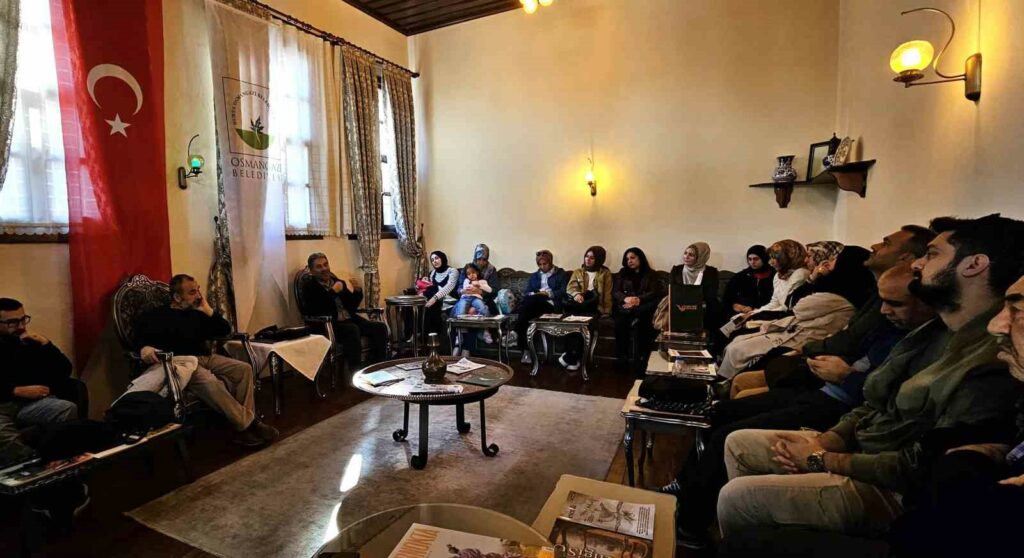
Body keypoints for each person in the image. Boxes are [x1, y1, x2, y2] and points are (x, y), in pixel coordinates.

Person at [714, 214, 1024, 540]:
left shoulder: (994, 357)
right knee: (738, 442)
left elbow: (919, 465)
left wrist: (823, 459)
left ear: (974, 265)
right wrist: (829, 440)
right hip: (863, 444)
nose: (917, 264)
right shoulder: (934, 329)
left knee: (739, 497)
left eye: (931, 255)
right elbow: (875, 401)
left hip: (889, 484)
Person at [666, 265, 935, 549]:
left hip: (840, 408)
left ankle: (694, 522)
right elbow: (854, 366)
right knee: (722, 414)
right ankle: (689, 491)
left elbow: (881, 406)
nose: (883, 310)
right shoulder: (893, 328)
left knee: (728, 442)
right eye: (882, 301)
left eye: (894, 303)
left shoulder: (920, 343)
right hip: (826, 393)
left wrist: (825, 448)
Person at [885, 273, 1024, 557]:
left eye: (1017, 310)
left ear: (975, 264)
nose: (995, 325)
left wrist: (966, 461)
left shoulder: (988, 371)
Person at [735, 225, 935, 396]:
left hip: (830, 365)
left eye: (885, 243)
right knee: (745, 353)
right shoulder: (873, 292)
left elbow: (797, 307)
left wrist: (810, 353)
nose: (874, 246)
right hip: (826, 358)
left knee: (752, 362)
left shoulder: (840, 289)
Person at [135, 274, 278, 447]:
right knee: (210, 382)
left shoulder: (197, 312)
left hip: (206, 357)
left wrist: (208, 309)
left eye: (198, 290)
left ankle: (242, 425)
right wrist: (144, 347)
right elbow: (138, 336)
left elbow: (225, 330)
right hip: (184, 363)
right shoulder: (157, 316)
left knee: (244, 369)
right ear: (177, 297)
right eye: (192, 292)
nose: (198, 296)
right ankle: (249, 425)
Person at [0, 298, 85, 468]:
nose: (21, 326)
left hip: (30, 404)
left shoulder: (28, 342)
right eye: (12, 322)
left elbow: (64, 370)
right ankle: (32, 465)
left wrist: (47, 345)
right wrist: (15, 391)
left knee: (66, 408)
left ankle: (61, 460)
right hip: (3, 405)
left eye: (23, 319)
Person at [300, 252, 389, 366]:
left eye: (326, 264)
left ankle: (377, 366)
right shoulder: (309, 287)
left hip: (349, 320)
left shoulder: (337, 282)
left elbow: (351, 306)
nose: (324, 269)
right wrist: (333, 292)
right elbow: (318, 309)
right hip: (329, 325)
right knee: (352, 329)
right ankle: (354, 371)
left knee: (380, 327)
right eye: (319, 266)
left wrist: (357, 292)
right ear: (312, 271)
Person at [558, 246, 613, 370]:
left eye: (592, 258)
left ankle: (570, 357)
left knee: (581, 323)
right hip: (578, 304)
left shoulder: (605, 273)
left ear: (599, 259)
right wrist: (576, 294)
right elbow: (570, 287)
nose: (588, 259)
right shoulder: (578, 271)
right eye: (586, 256)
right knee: (574, 323)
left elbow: (607, 293)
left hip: (594, 306)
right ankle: (573, 357)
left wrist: (607, 311)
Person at [612, 247, 665, 369]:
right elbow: (616, 291)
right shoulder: (622, 273)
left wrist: (638, 300)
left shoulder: (651, 274)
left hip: (643, 307)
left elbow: (654, 292)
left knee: (644, 322)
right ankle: (622, 358)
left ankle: (642, 360)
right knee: (620, 322)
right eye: (627, 259)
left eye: (632, 258)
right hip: (625, 307)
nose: (629, 261)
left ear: (640, 258)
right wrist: (626, 299)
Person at [517, 250, 568, 364]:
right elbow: (527, 292)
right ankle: (526, 351)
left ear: (550, 262)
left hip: (551, 304)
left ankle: (517, 335)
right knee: (528, 311)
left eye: (545, 264)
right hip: (535, 304)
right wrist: (536, 294)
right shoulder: (535, 276)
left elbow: (563, 291)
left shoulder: (560, 273)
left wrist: (548, 294)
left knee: (527, 306)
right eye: (540, 264)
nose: (542, 267)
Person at [656, 242, 720, 331]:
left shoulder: (711, 272)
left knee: (713, 308)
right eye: (685, 253)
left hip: (702, 304)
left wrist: (693, 301)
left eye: (691, 255)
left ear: (700, 257)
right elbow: (672, 290)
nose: (686, 257)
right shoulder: (676, 270)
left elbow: (711, 295)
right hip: (679, 303)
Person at [745, 239, 810, 320]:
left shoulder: (801, 273)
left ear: (786, 258)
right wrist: (753, 313)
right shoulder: (778, 275)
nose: (770, 262)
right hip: (780, 315)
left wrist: (757, 314)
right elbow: (774, 303)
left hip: (792, 317)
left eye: (774, 258)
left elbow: (787, 306)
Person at [422, 251, 460, 351]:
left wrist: (434, 298)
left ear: (442, 258)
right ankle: (428, 341)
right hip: (436, 303)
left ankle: (432, 343)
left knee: (431, 308)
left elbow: (449, 287)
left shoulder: (453, 271)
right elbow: (430, 289)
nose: (434, 261)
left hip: (449, 301)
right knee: (425, 307)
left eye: (437, 258)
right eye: (432, 260)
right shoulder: (432, 273)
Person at [452, 263, 493, 354]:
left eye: (473, 273)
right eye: (469, 274)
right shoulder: (466, 280)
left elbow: (490, 290)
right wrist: (465, 289)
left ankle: (485, 330)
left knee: (483, 309)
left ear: (477, 272)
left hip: (476, 298)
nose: (471, 275)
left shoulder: (482, 281)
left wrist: (479, 285)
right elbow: (461, 290)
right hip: (465, 298)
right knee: (460, 312)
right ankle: (460, 334)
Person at [721, 245, 775, 315]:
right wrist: (735, 305)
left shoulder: (774, 275)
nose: (752, 262)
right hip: (744, 313)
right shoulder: (741, 276)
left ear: (764, 258)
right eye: (750, 259)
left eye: (756, 259)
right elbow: (727, 297)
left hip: (767, 311)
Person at [456, 243, 499, 314]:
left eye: (484, 259)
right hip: (466, 297)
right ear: (475, 257)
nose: (481, 262)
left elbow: (494, 289)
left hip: (484, 299)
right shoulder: (468, 268)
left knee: (482, 309)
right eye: (479, 259)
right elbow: (460, 286)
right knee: (461, 309)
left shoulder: (491, 270)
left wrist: (480, 291)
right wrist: (463, 291)